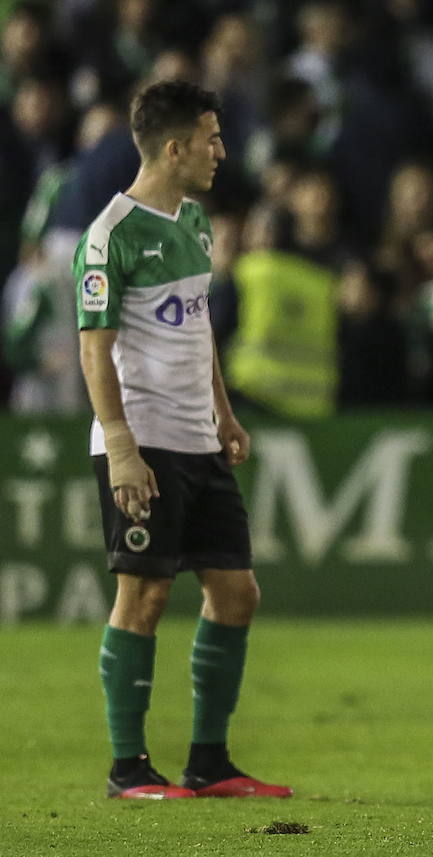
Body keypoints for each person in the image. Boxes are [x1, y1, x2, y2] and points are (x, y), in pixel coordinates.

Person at [74, 80, 291, 799]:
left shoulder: (194, 222)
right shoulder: (110, 235)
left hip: (199, 437)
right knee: (144, 593)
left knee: (236, 592)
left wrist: (223, 413)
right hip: (144, 439)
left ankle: (210, 762)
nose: (221, 151)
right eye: (211, 138)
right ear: (174, 149)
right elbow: (94, 350)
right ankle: (127, 768)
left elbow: (197, 330)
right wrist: (121, 445)